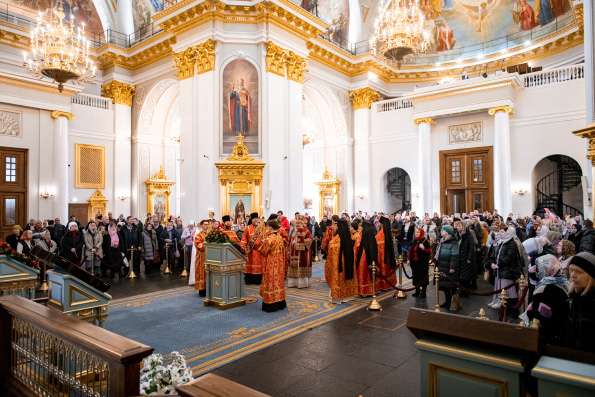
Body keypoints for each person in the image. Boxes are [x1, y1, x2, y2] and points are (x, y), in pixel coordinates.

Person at [524, 254, 568, 345]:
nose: (538, 272)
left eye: (539, 269)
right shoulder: (564, 281)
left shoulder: (544, 289)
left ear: (545, 270)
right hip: (562, 332)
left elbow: (538, 316)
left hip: (545, 337)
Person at [563, 252, 595, 352]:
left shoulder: (591, 303)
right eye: (571, 270)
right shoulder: (574, 298)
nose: (573, 275)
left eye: (579, 272)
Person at [488, 225, 523, 311]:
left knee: (506, 288)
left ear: (508, 233)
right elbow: (496, 254)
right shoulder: (502, 242)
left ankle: (504, 303)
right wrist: (492, 263)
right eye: (500, 231)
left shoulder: (512, 243)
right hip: (499, 269)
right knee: (498, 286)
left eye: (502, 231)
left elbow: (509, 257)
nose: (500, 233)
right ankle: (497, 300)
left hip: (507, 270)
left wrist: (498, 264)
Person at [256, 219, 287, 312]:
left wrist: (261, 241)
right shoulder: (279, 237)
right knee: (278, 282)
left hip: (271, 263)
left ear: (270, 227)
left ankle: (271, 304)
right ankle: (280, 302)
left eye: (267, 227)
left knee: (271, 282)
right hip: (280, 263)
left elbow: (263, 250)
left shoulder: (270, 239)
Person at [325, 219, 358, 303]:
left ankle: (339, 296)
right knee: (347, 277)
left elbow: (331, 250)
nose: (334, 227)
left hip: (339, 264)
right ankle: (348, 295)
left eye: (336, 225)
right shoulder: (349, 236)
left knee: (339, 278)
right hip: (348, 262)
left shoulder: (336, 239)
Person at [436, 225, 460, 311]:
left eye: (442, 230)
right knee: (445, 287)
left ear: (447, 232)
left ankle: (452, 304)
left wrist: (452, 267)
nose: (441, 232)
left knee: (451, 287)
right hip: (442, 266)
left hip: (449, 267)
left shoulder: (453, 242)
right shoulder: (443, 240)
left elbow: (455, 256)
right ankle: (447, 302)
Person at [287, 215, 313, 288]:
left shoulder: (306, 230)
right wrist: (290, 247)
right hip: (293, 251)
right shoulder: (292, 230)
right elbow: (290, 240)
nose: (298, 224)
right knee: (293, 266)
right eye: (297, 222)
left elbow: (310, 240)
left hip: (302, 253)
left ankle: (302, 283)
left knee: (301, 265)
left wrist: (300, 243)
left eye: (299, 222)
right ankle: (293, 283)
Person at [355, 221, 378, 297]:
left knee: (364, 273)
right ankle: (365, 290)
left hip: (365, 257)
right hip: (364, 255)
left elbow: (370, 248)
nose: (359, 228)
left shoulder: (367, 233)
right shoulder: (368, 233)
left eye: (361, 226)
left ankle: (365, 291)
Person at [241, 213, 265, 284]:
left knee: (259, 266)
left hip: (259, 251)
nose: (255, 220)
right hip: (250, 251)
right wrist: (243, 246)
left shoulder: (262, 228)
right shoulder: (247, 228)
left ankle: (258, 280)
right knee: (249, 266)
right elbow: (244, 239)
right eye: (254, 219)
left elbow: (265, 238)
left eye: (256, 219)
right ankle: (249, 280)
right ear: (251, 220)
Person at [375, 217, 397, 291]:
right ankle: (389, 285)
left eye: (379, 223)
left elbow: (377, 244)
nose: (378, 224)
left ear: (382, 224)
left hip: (382, 257)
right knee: (388, 270)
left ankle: (384, 285)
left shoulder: (381, 234)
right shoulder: (388, 232)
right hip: (389, 256)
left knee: (384, 270)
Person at [409, 228, 432, 298]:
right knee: (416, 277)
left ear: (421, 233)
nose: (416, 233)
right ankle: (417, 291)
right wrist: (409, 259)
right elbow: (411, 250)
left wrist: (423, 248)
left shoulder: (425, 241)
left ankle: (423, 292)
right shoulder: (415, 240)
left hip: (422, 263)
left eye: (418, 232)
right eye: (416, 232)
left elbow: (429, 251)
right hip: (415, 263)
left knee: (423, 278)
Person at [190, 220, 209, 297]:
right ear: (201, 225)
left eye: (207, 224)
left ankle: (209, 289)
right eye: (205, 224)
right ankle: (202, 290)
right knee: (201, 273)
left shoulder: (209, 234)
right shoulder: (198, 235)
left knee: (208, 273)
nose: (206, 226)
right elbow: (199, 245)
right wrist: (207, 244)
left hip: (209, 257)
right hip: (201, 258)